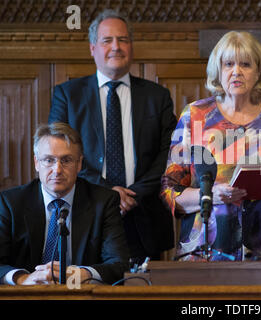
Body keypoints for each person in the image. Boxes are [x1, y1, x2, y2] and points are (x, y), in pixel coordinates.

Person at [161, 31, 261, 261]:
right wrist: (210, 193)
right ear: (217, 70)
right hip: (207, 253)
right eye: (228, 64)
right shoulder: (195, 115)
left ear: (259, 71)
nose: (236, 71)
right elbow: (169, 191)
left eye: (245, 64)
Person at [49, 10, 177, 263]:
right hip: (88, 213)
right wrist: (109, 192)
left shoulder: (157, 96)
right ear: (93, 48)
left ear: (131, 46)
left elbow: (169, 152)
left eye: (123, 40)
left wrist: (131, 195)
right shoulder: (67, 95)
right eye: (108, 41)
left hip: (144, 217)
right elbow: (59, 152)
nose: (116, 47)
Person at [0, 123, 129, 285]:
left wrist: (79, 275)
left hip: (81, 295)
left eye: (66, 160)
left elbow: (119, 264)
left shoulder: (103, 201)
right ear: (36, 163)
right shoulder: (10, 202)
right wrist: (23, 279)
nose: (57, 169)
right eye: (49, 160)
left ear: (79, 164)